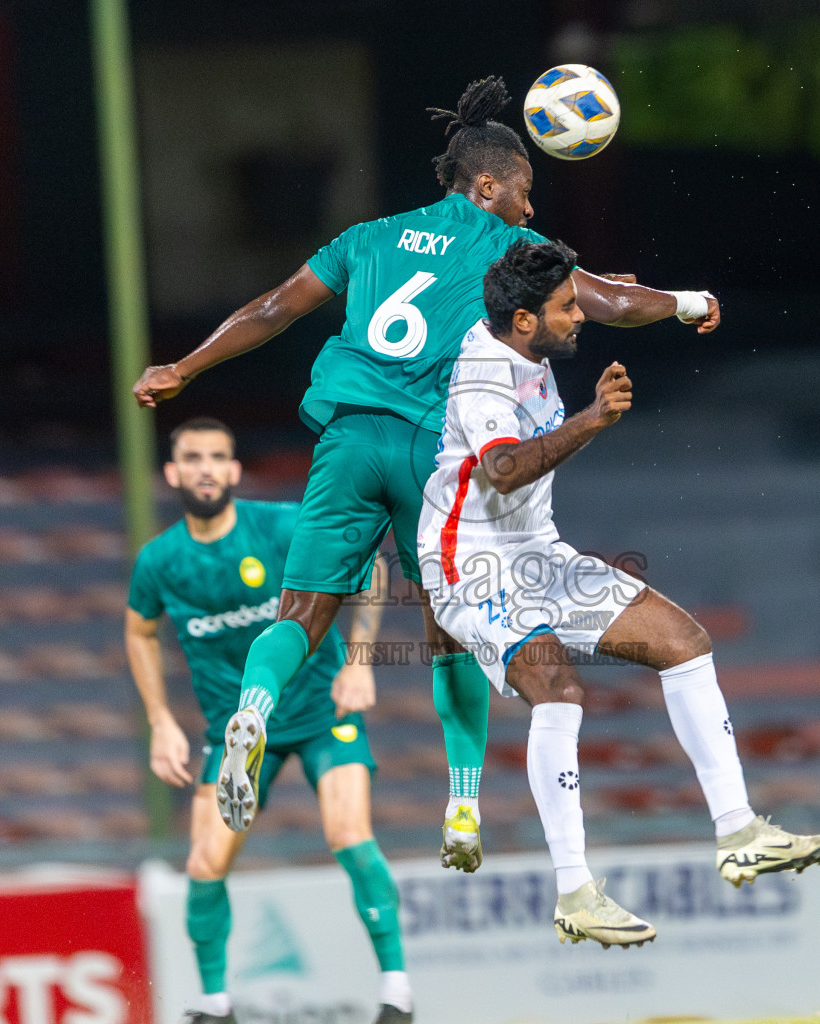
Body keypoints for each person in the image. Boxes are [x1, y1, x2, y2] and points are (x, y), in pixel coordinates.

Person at [131, 76, 720, 871]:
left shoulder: (366, 236)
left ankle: (254, 708)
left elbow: (273, 308)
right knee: (451, 626)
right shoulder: (506, 250)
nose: (531, 208)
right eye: (524, 191)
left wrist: (184, 367)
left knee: (301, 612)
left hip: (345, 441)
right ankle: (464, 805)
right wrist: (688, 302)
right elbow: (609, 302)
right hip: (430, 450)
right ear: (487, 187)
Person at [417, 242, 820, 948]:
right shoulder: (485, 377)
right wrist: (593, 418)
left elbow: (607, 302)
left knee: (683, 642)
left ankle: (739, 832)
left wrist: (665, 300)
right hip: (470, 562)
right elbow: (503, 470)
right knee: (557, 688)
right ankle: (575, 893)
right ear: (523, 321)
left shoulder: (520, 333)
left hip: (537, 552)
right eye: (566, 309)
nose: (579, 316)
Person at [125, 417, 413, 1023]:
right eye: (192, 458)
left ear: (234, 470)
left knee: (349, 835)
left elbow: (369, 565)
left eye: (217, 457)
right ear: (172, 474)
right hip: (234, 732)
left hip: (321, 711)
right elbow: (139, 631)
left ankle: (396, 994)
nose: (206, 468)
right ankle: (216, 1006)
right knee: (205, 864)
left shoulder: (281, 526)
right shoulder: (160, 561)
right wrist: (160, 722)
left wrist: (359, 663)